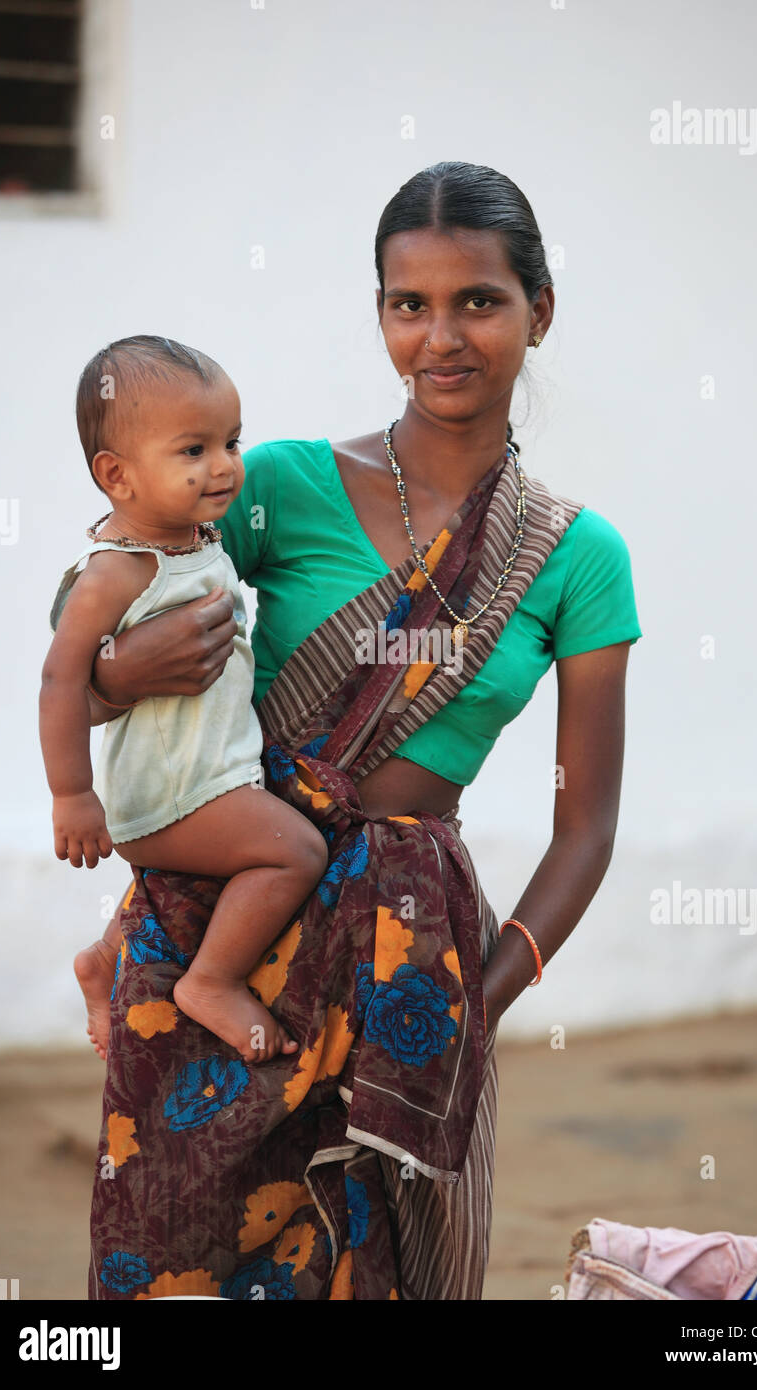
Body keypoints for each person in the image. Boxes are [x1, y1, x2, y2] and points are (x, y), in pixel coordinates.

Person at [79, 161, 642, 1301]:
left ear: (540, 309)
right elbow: (93, 641)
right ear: (379, 310)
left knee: (369, 1264)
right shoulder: (271, 484)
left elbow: (583, 826)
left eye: (478, 301)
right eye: (407, 303)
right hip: (214, 937)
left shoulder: (576, 556)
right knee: (173, 1253)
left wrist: (474, 999)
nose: (441, 335)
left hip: (406, 959)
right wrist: (111, 671)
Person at [41, 339, 328, 1063]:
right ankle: (211, 982)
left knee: (208, 870)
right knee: (294, 852)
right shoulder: (115, 571)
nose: (224, 465)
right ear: (118, 475)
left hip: (199, 774)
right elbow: (59, 678)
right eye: (193, 450)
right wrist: (73, 796)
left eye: (231, 441)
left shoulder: (187, 538)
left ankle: (106, 955)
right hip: (177, 787)